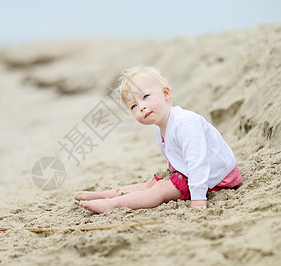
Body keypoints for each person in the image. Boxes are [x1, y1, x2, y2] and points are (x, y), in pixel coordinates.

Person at [74, 66, 242, 213]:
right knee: (151, 183)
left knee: (160, 189)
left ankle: (112, 204)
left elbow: (198, 161)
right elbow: (177, 158)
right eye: (133, 106)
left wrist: (198, 199)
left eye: (145, 96)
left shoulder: (185, 123)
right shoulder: (161, 132)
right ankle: (105, 195)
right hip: (193, 172)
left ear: (165, 93)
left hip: (217, 176)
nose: (141, 106)